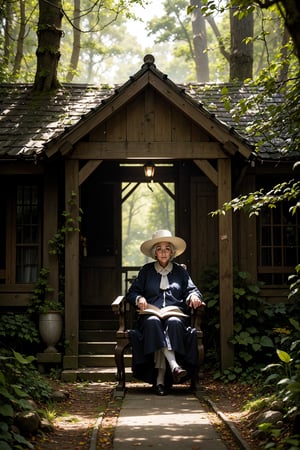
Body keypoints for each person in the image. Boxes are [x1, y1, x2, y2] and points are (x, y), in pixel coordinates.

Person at [126, 229, 205, 396]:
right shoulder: (146, 271)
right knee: (153, 322)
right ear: (154, 253)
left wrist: (193, 296)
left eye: (167, 248)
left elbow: (193, 290)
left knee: (174, 323)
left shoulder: (180, 271)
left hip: (175, 313)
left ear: (172, 252)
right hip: (150, 314)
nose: (163, 252)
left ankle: (161, 380)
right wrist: (139, 298)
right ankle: (173, 366)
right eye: (159, 248)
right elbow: (132, 293)